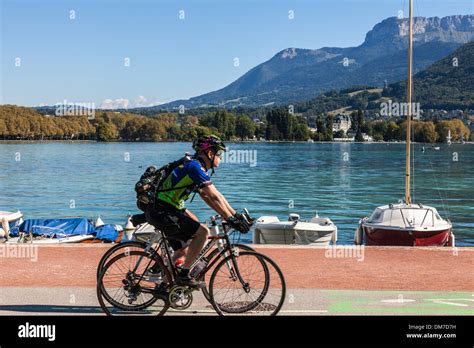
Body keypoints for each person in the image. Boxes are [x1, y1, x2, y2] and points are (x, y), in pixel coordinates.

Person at [145, 135, 251, 286]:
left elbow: (207, 196)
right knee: (203, 233)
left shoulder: (194, 165)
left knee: (192, 233)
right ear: (209, 153)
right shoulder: (195, 167)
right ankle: (183, 275)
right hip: (163, 211)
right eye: (219, 154)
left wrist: (234, 215)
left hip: (168, 208)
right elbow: (214, 196)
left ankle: (164, 280)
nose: (220, 158)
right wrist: (230, 218)